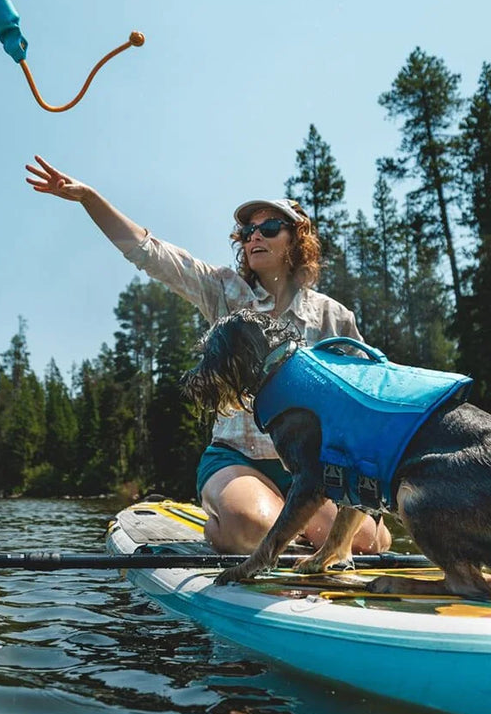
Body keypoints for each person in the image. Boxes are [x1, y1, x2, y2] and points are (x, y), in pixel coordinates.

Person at [24, 155, 391, 556]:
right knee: (251, 528)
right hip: (237, 459)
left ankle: (297, 523)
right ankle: (239, 516)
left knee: (367, 543)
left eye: (269, 227)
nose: (254, 237)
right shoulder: (223, 291)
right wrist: (89, 198)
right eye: (248, 230)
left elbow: (365, 403)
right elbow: (149, 252)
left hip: (310, 469)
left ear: (296, 240)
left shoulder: (333, 316)